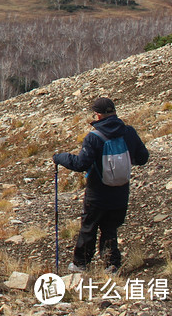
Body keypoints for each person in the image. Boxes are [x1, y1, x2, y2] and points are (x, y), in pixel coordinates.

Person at [54, 97, 149, 274]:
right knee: (110, 228)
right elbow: (143, 158)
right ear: (114, 111)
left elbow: (81, 164)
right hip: (120, 191)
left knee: (89, 227)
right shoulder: (128, 132)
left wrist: (60, 158)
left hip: (97, 192)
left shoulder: (93, 138)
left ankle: (80, 264)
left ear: (97, 115)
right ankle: (111, 264)